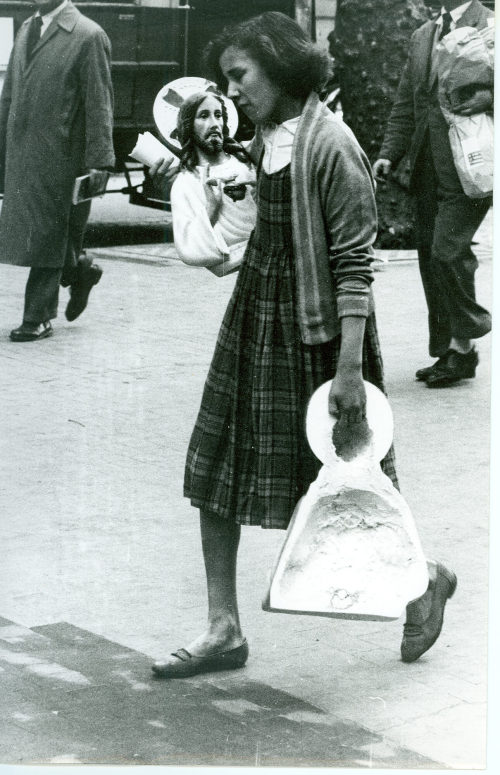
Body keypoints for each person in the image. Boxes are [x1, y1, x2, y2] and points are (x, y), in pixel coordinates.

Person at [151, 11, 456, 679]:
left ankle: (423, 578)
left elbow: (354, 264)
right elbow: (260, 226)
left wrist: (349, 373)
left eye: (240, 76)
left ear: (279, 65)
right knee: (215, 465)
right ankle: (223, 626)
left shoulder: (333, 144)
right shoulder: (264, 137)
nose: (231, 92)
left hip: (321, 337)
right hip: (255, 317)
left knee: (352, 484)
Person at [373, 0, 493, 388]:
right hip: (426, 165)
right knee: (430, 255)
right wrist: (390, 153)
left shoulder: (491, 26)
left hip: (471, 167)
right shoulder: (423, 35)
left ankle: (468, 341)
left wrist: (492, 99)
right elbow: (407, 102)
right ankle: (450, 349)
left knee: (448, 251)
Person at [0, 0, 115, 342]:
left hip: (63, 155)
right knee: (37, 232)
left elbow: (100, 101)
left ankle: (37, 317)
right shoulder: (26, 28)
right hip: (23, 153)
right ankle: (81, 270)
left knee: (49, 234)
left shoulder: (89, 35)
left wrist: (98, 161)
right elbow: (9, 95)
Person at [170, 91, 256, 276]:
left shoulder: (247, 161)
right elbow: (189, 249)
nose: (214, 124)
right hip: (235, 263)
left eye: (218, 115)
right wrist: (211, 208)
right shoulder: (185, 183)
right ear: (189, 125)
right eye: (203, 116)